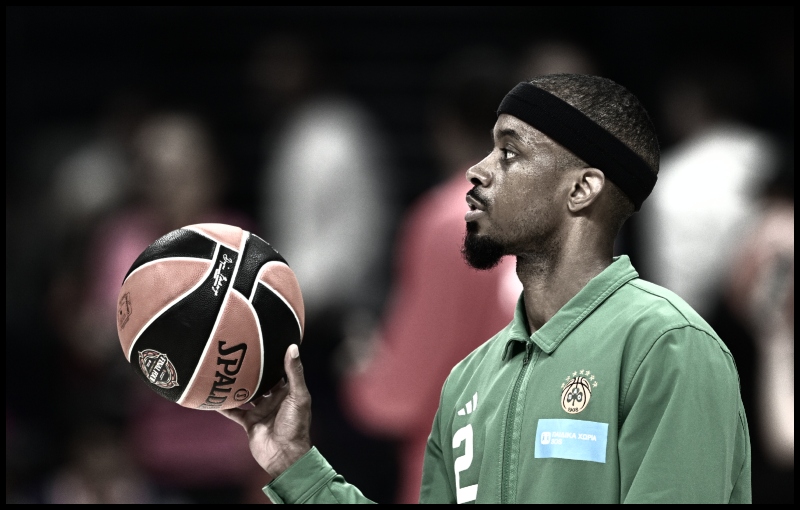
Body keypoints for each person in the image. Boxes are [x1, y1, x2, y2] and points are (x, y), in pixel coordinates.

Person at [220, 74, 751, 503]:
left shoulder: (667, 347)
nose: (477, 169)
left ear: (582, 188)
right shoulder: (468, 379)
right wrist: (294, 465)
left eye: (509, 153)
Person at [335, 46, 520, 504]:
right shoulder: (553, 212)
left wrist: (364, 368)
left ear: (445, 127)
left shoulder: (449, 220)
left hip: (457, 473)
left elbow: (401, 393)